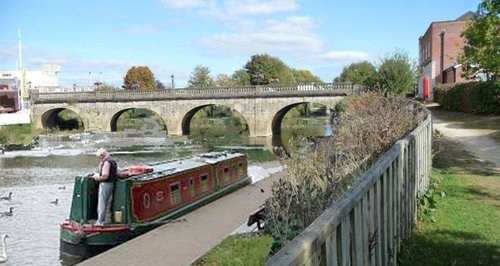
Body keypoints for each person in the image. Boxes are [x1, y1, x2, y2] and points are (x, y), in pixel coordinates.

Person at [92, 148, 118, 226]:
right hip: (112, 183)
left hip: (105, 184)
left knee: (102, 203)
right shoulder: (113, 161)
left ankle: (100, 221)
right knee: (108, 203)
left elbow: (105, 175)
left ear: (102, 155)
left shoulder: (106, 162)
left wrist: (97, 178)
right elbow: (117, 173)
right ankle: (107, 220)